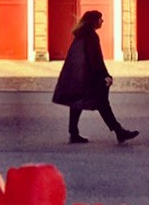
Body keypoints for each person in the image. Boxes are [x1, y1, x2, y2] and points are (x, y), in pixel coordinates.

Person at [52, 10, 139, 144]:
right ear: (94, 21)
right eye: (100, 19)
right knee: (102, 103)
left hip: (79, 76)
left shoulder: (80, 35)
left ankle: (74, 133)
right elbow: (95, 60)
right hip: (89, 78)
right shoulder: (91, 36)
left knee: (77, 103)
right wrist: (105, 76)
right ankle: (119, 132)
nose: (102, 21)